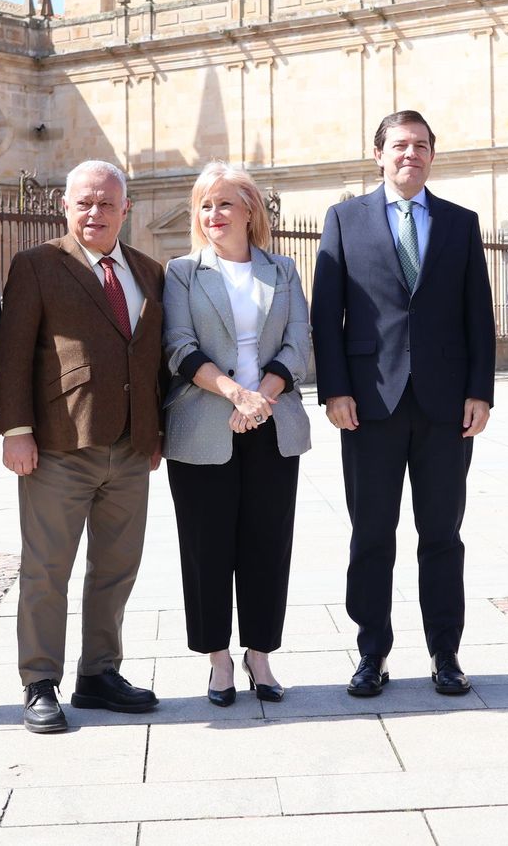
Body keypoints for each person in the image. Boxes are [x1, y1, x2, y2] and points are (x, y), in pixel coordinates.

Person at [312, 109, 496, 697]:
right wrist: (335, 389)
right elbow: (326, 315)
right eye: (398, 145)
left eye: (420, 145)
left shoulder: (461, 223)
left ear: (432, 156)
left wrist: (481, 392)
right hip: (368, 405)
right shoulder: (344, 220)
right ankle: (371, 653)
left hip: (445, 407)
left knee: (442, 534)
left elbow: (477, 314)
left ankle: (446, 653)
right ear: (379, 154)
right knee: (371, 533)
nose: (409, 154)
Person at [0, 160, 166, 733]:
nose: (95, 213)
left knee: (117, 567)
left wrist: (156, 432)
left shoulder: (148, 271)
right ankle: (39, 681)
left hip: (132, 446)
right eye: (85, 203)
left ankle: (99, 674)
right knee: (47, 569)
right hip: (59, 444)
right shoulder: (37, 264)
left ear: (125, 209)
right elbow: (14, 352)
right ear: (65, 206)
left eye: (107, 204)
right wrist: (16, 430)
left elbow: (155, 359)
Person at [162, 162, 311, 705]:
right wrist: (236, 394)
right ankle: (218, 661)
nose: (213, 214)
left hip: (273, 424)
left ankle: (260, 656)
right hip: (205, 422)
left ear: (251, 209)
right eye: (205, 204)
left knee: (267, 544)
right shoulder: (182, 271)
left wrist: (261, 398)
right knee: (205, 547)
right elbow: (178, 345)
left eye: (225, 203)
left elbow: (298, 345)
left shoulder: (284, 271)